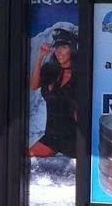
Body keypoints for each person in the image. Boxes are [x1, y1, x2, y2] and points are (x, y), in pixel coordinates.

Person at [29, 24, 78, 159]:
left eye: (64, 47)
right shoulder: (50, 70)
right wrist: (40, 57)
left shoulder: (79, 75)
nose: (58, 51)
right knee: (25, 160)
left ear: (73, 49)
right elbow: (33, 86)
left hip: (73, 138)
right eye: (56, 47)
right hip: (51, 137)